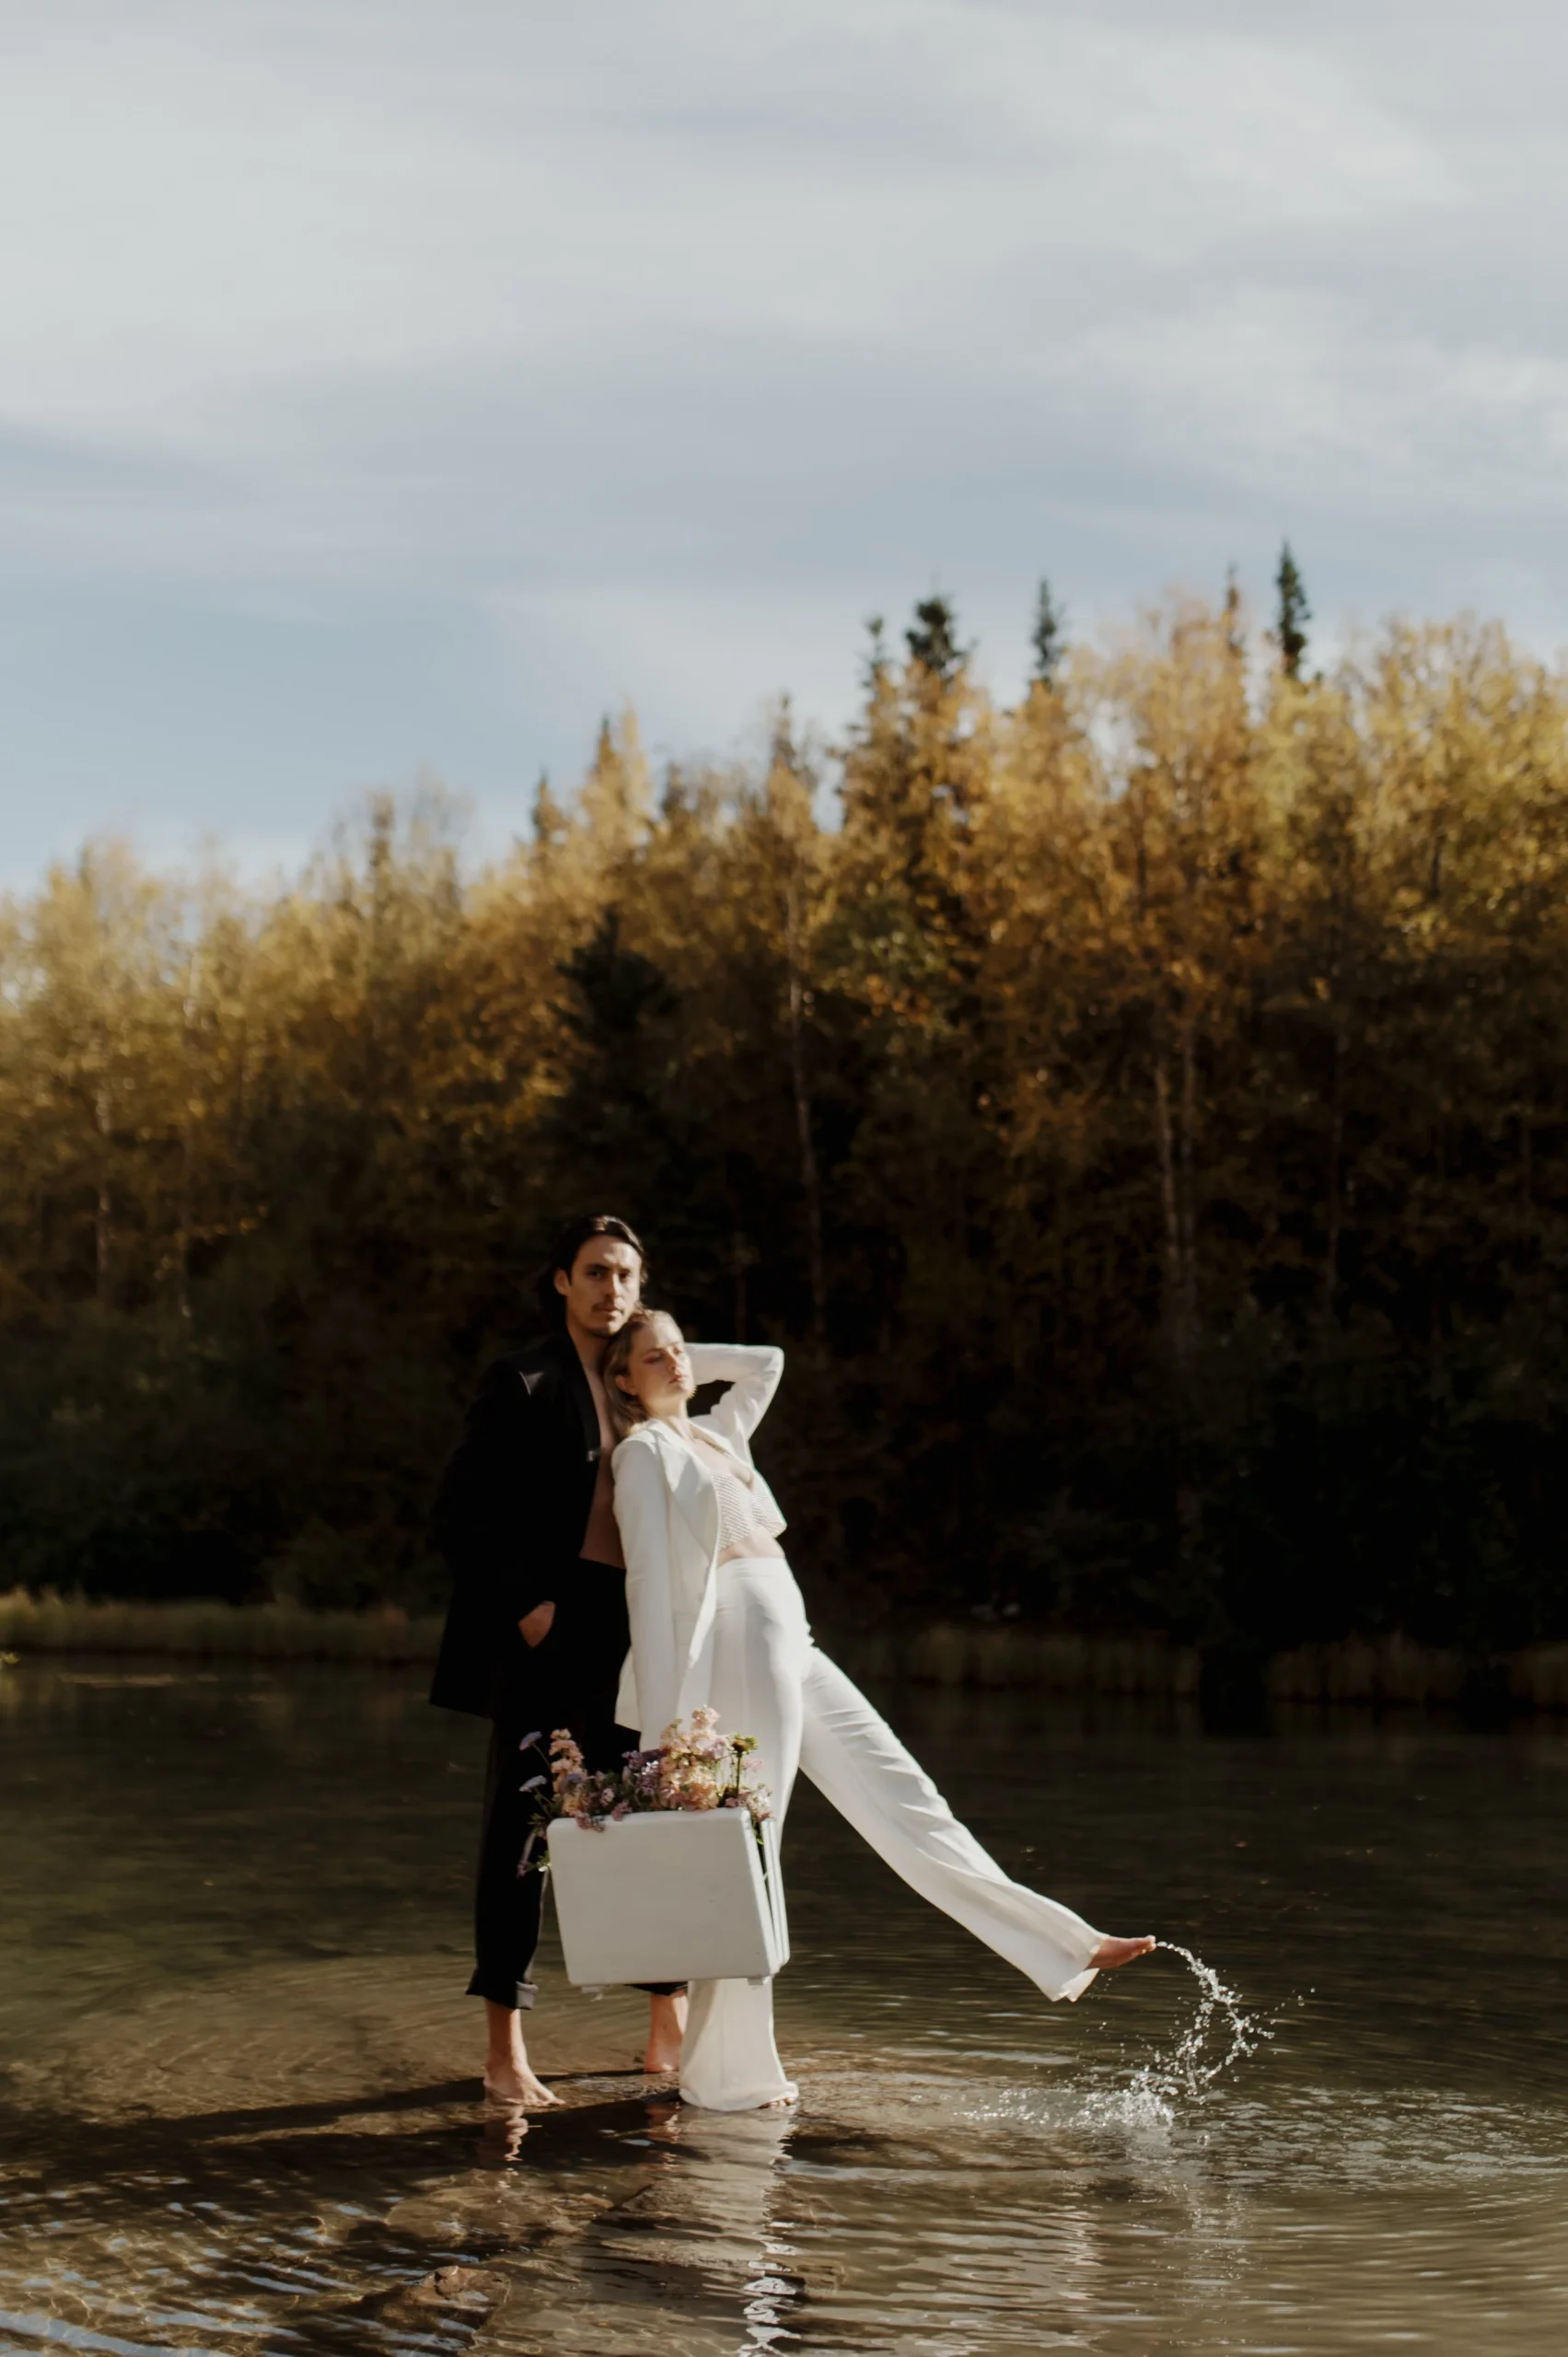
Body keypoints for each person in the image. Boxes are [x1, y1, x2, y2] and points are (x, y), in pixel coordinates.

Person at [603, 1310, 1156, 2112]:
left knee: (901, 1791)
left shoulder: (718, 1435)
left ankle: (1064, 1943)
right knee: (752, 1842)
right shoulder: (642, 1452)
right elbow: (649, 1585)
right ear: (622, 1380)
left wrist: (669, 1346)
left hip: (787, 1624)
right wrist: (666, 1734)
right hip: (736, 1626)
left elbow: (765, 1362)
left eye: (680, 1350)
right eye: (652, 1359)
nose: (676, 1363)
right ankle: (725, 2075)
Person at [429, 1213, 687, 2106]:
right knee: (523, 1833)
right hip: (549, 1625)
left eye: (626, 1274)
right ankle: (504, 2052)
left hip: (632, 1628)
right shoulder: (525, 1380)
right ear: (562, 1282)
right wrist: (529, 1608)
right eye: (596, 1272)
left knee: (648, 1817)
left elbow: (730, 1373)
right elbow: (458, 1510)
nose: (612, 1288)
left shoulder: (639, 1379)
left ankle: (666, 2032)